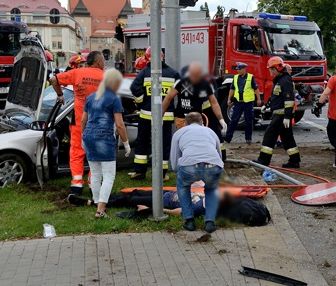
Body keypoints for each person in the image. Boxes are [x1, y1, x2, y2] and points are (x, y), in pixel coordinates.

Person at [51, 51, 105, 197]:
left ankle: (76, 185)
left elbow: (54, 80)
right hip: (99, 122)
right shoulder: (105, 77)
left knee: (76, 152)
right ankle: (94, 183)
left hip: (79, 121)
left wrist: (60, 95)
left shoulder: (77, 73)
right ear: (99, 62)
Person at [78, 69, 129, 218]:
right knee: (108, 176)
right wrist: (125, 143)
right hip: (104, 138)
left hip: (88, 136)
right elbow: (119, 125)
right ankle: (100, 210)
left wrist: (83, 137)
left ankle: (96, 201)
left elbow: (83, 120)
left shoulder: (91, 97)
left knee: (95, 174)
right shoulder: (114, 99)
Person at [129, 47, 179, 180]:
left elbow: (135, 89)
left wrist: (140, 103)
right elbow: (184, 89)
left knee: (143, 141)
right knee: (164, 144)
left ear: (147, 58)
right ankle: (161, 174)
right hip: (166, 116)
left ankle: (140, 171)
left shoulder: (145, 72)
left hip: (146, 115)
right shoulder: (173, 73)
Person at [170, 112, 224, 233]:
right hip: (213, 165)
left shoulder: (179, 133)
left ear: (185, 123)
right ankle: (210, 222)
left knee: (183, 186)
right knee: (212, 189)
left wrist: (178, 170)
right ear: (202, 123)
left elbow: (174, 158)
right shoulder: (210, 131)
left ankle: (189, 221)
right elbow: (219, 155)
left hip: (189, 166)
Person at [257, 57, 299, 168]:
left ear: (278, 68)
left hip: (281, 115)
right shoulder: (280, 80)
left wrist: (287, 116)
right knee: (287, 138)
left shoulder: (285, 81)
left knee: (269, 135)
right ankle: (294, 160)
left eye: (272, 69)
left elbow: (289, 100)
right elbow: (275, 96)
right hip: (279, 114)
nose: (270, 71)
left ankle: (263, 160)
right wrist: (266, 105)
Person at [162, 61, 226, 134]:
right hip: (183, 119)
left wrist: (221, 119)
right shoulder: (181, 83)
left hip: (197, 119)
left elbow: (214, 103)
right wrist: (160, 116)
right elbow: (168, 99)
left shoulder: (205, 85)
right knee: (184, 141)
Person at [225, 62, 261, 145]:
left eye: (240, 69)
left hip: (248, 103)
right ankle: (228, 137)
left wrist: (258, 99)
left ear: (244, 69)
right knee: (233, 120)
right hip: (238, 102)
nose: (238, 71)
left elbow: (256, 89)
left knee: (249, 121)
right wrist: (229, 99)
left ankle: (248, 138)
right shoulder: (236, 77)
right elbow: (232, 89)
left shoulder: (250, 77)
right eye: (237, 69)